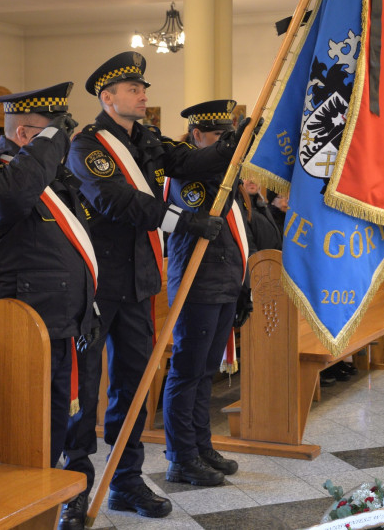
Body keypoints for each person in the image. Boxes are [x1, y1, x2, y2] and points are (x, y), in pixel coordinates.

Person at [63, 52, 246, 526]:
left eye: (142, 87)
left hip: (140, 284)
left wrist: (241, 140)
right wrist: (186, 222)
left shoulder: (145, 138)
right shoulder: (89, 146)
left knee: (133, 387)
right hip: (98, 287)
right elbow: (116, 200)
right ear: (108, 97)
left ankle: (125, 481)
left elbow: (192, 159)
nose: (144, 94)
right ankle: (75, 488)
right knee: (84, 390)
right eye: (133, 89)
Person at [0, 82, 97, 474]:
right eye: (53, 135)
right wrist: (50, 141)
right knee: (24, 438)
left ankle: (54, 506)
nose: (62, 145)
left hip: (60, 325)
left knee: (55, 430)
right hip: (19, 328)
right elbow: (11, 198)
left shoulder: (52, 181)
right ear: (23, 135)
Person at [161, 100, 253, 488]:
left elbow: (236, 236)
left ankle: (201, 445)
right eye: (219, 138)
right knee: (187, 373)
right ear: (198, 136)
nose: (224, 147)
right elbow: (201, 218)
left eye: (228, 139)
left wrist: (242, 287)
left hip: (224, 284)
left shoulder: (222, 175)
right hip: (198, 286)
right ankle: (182, 456)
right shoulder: (191, 178)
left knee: (205, 374)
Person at [240, 178, 282, 251]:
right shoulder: (239, 209)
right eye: (246, 176)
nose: (252, 180)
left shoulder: (261, 206)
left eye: (256, 175)